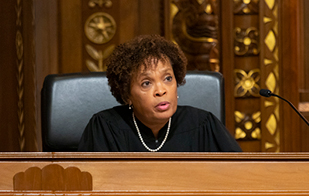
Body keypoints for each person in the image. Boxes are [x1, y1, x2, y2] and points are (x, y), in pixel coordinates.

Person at [78, 35, 242, 152]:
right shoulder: (105, 128)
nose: (161, 91)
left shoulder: (203, 125)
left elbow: (238, 178)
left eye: (168, 78)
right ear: (127, 95)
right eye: (146, 83)